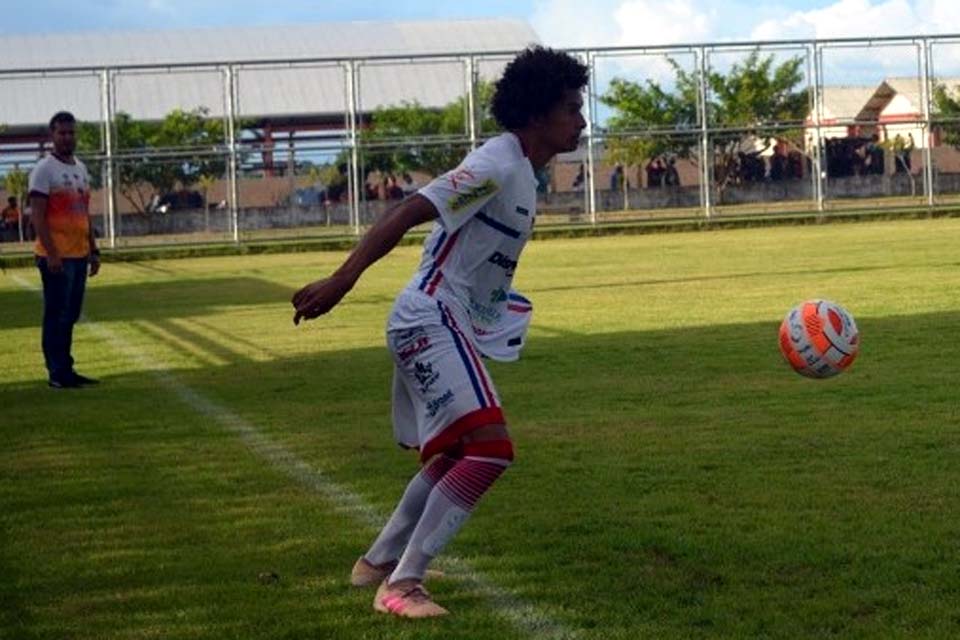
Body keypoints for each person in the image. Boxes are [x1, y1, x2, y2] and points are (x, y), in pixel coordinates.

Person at [291, 46, 588, 619]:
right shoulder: (497, 164)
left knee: (457, 452)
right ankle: (402, 585)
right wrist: (343, 279)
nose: (581, 120)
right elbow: (410, 210)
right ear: (536, 114)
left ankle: (377, 563)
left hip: (443, 320)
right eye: (571, 108)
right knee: (491, 450)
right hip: (429, 317)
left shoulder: (523, 171)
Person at [30, 111, 101, 389]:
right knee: (56, 314)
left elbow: (85, 213)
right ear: (53, 135)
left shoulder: (80, 168)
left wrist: (93, 249)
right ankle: (57, 372)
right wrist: (52, 253)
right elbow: (38, 216)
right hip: (57, 257)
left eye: (71, 133)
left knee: (70, 314)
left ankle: (66, 368)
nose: (67, 137)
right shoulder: (44, 170)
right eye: (62, 133)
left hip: (79, 254)